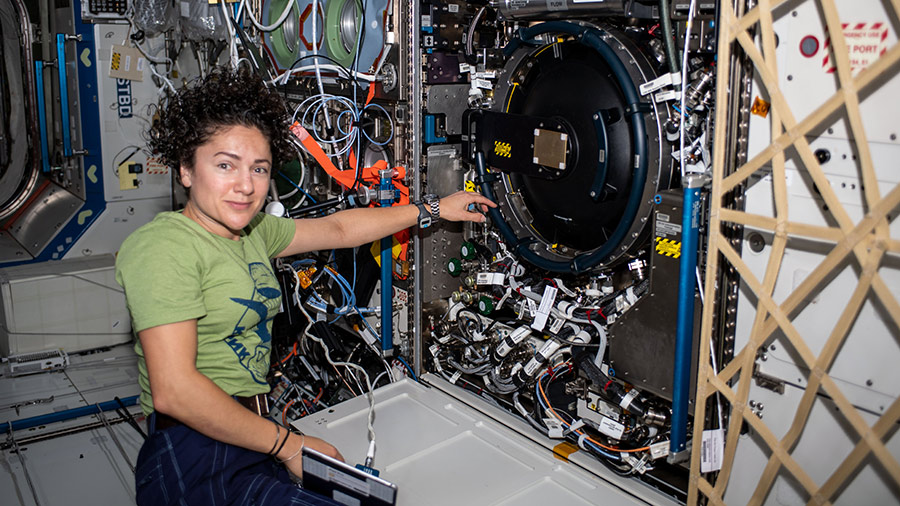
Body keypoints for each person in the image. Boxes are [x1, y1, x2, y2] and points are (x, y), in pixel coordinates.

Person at [115, 67, 495, 506]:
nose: (245, 185)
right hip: (196, 451)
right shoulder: (163, 246)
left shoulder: (253, 232)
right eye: (225, 165)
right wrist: (290, 446)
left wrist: (434, 207)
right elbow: (175, 389)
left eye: (259, 169)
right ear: (185, 169)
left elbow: (336, 229)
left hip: (248, 435)